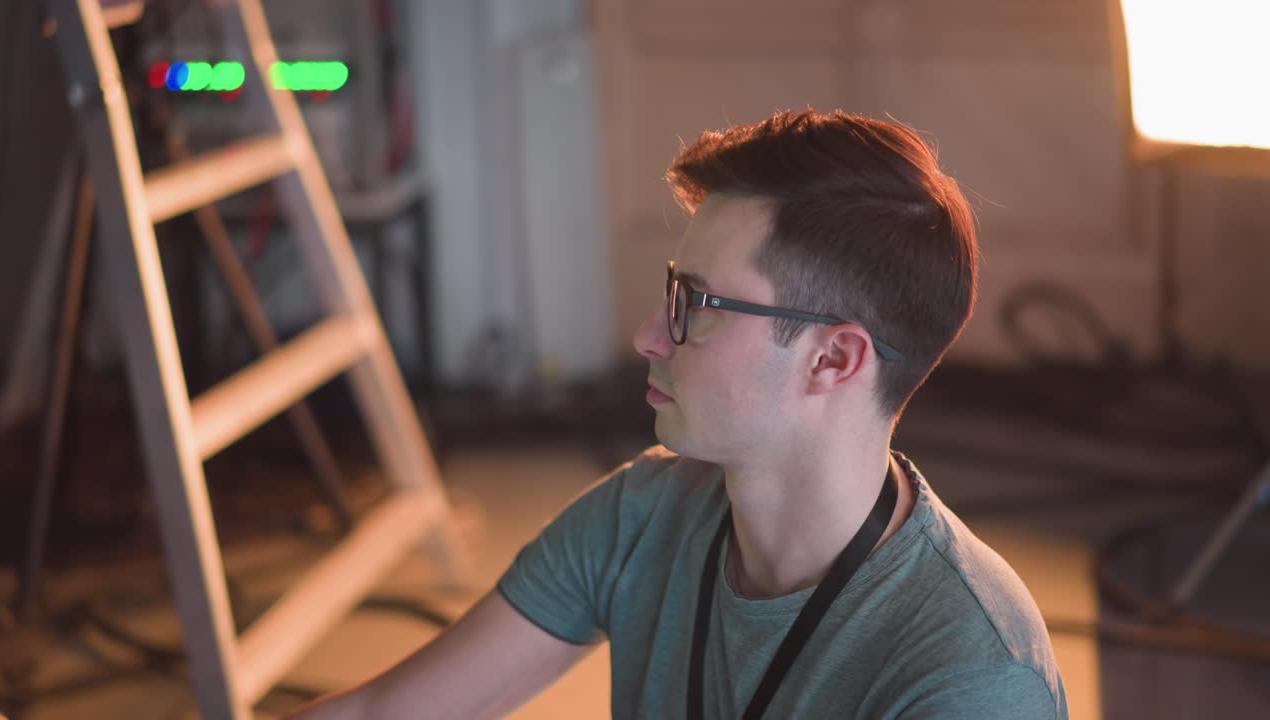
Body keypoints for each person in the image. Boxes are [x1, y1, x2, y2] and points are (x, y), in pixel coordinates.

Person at [287, 108, 1068, 719]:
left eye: (694, 303)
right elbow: (384, 711)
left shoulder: (974, 677)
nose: (646, 335)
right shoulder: (646, 514)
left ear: (833, 360)